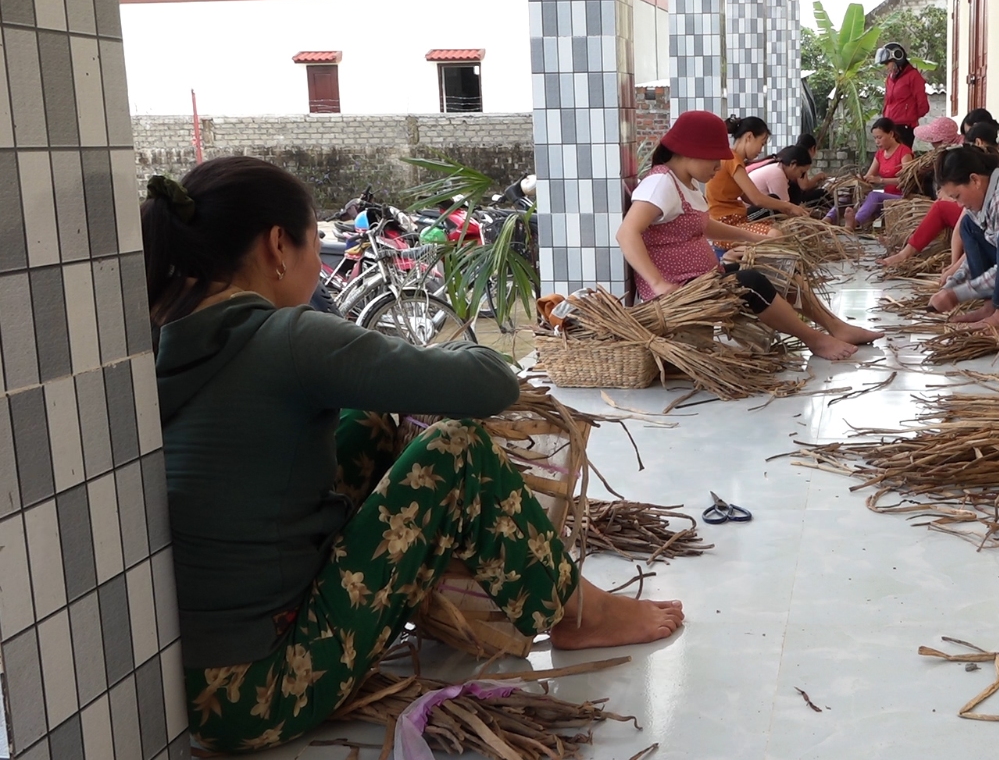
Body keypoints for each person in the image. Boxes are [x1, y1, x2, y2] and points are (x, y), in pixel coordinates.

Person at [147, 157, 685, 753]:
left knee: (368, 420)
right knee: (453, 449)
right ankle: (576, 613)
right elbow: (488, 381)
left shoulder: (164, 341)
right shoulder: (288, 338)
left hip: (198, 688)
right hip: (268, 690)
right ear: (278, 245)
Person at [618, 111, 883, 360]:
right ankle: (815, 340)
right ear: (691, 152)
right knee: (752, 281)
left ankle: (835, 326)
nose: (718, 167)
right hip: (681, 287)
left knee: (780, 268)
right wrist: (658, 284)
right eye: (714, 160)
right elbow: (627, 233)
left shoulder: (683, 183)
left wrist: (755, 239)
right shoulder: (660, 183)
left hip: (703, 278)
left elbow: (704, 226)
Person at [925, 145, 999, 329]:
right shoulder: (984, 197)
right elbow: (986, 252)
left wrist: (957, 294)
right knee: (968, 225)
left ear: (974, 180)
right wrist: (951, 286)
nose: (959, 205)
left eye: (957, 196)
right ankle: (990, 307)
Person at [705, 116, 808, 245]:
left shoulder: (733, 159)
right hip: (727, 224)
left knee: (777, 227)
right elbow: (756, 199)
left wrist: (784, 208)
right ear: (749, 137)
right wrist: (789, 206)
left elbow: (748, 197)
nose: (761, 149)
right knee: (776, 235)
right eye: (762, 143)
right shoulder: (732, 159)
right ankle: (736, 253)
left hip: (735, 220)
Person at [878, 117, 964, 268]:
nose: (931, 144)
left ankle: (905, 253)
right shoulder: (952, 154)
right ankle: (903, 243)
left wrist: (954, 266)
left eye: (933, 140)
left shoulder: (960, 156)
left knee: (939, 207)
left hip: (970, 211)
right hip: (966, 208)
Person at [825, 117, 913, 230]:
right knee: (848, 195)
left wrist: (881, 180)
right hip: (884, 199)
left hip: (901, 197)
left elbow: (906, 180)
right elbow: (868, 177)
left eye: (879, 137)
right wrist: (854, 179)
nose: (877, 141)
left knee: (874, 195)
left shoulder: (904, 152)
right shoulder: (880, 154)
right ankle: (827, 220)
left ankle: (854, 223)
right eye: (875, 138)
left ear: (891, 134)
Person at [878, 42, 929, 149]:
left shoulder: (913, 76)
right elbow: (887, 102)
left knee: (901, 159)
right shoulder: (889, 79)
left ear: (897, 58)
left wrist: (908, 116)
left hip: (905, 127)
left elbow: (923, 105)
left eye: (888, 63)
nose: (886, 67)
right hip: (889, 126)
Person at [749, 145, 814, 207]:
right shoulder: (778, 175)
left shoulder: (778, 169)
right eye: (801, 172)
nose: (800, 176)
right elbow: (786, 208)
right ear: (793, 164)